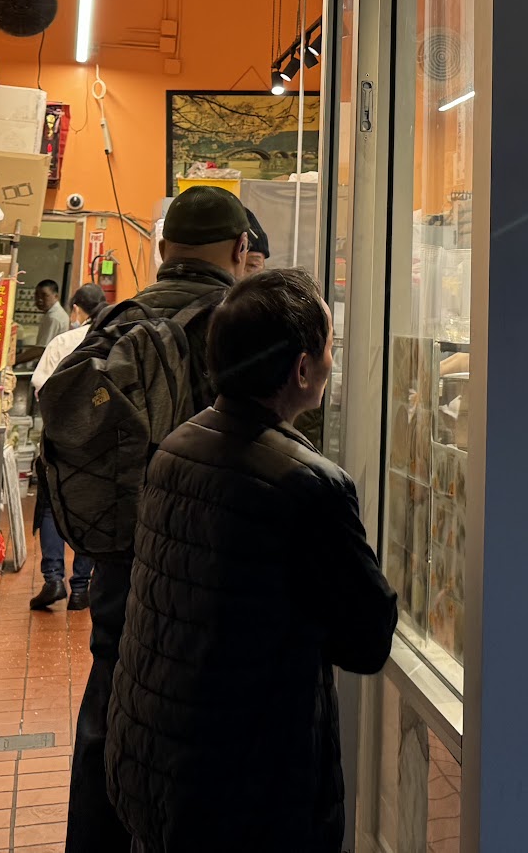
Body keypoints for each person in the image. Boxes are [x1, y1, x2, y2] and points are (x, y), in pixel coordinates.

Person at [107, 269, 396, 853]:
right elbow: (368, 638)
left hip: (155, 764)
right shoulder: (308, 485)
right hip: (246, 796)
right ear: (302, 368)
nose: (331, 363)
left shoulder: (176, 448)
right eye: (330, 349)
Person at [64, 185, 251, 853]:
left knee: (112, 698)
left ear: (164, 248)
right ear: (240, 249)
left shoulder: (116, 320)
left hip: (122, 552)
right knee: (215, 718)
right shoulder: (240, 320)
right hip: (216, 559)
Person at [29, 283, 109, 611]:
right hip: (97, 441)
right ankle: (80, 587)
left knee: (51, 505)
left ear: (76, 309)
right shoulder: (112, 343)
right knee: (90, 508)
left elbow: (39, 387)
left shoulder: (64, 342)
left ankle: (52, 579)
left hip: (60, 438)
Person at [33, 278, 69, 350]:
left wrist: (15, 360)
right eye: (37, 295)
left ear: (56, 296)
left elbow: (41, 349)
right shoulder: (53, 313)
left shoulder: (53, 317)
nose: (39, 299)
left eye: (44, 295)